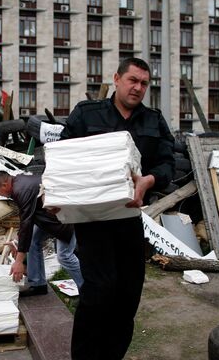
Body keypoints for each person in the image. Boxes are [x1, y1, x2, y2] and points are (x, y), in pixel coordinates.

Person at [60, 57, 175, 360]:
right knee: (99, 290)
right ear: (117, 78)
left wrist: (149, 179)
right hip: (93, 219)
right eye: (132, 80)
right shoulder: (87, 114)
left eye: (144, 84)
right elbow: (62, 156)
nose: (138, 88)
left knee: (128, 293)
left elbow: (168, 163)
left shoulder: (154, 120)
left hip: (129, 217)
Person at [0, 171, 83, 295]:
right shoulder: (19, 184)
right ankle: (38, 285)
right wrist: (18, 242)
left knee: (64, 256)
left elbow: (27, 223)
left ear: (5, 185)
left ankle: (89, 289)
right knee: (33, 241)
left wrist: (18, 261)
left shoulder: (21, 190)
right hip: (48, 219)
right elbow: (26, 221)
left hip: (65, 219)